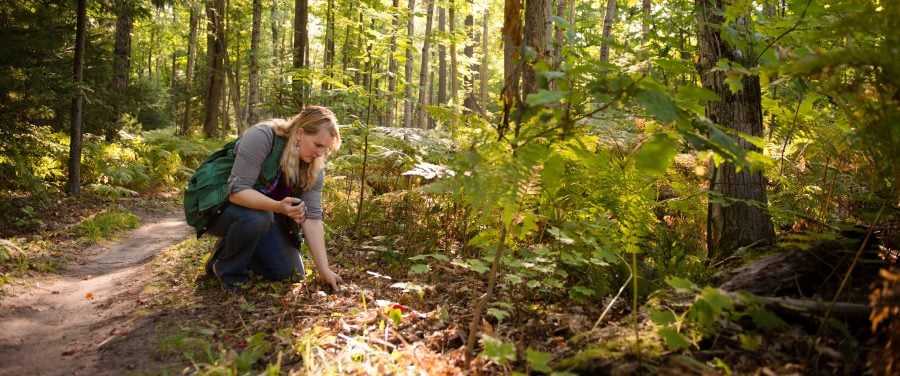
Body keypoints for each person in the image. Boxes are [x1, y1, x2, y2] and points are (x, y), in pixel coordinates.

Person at [202, 106, 343, 291]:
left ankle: (223, 254)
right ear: (300, 133)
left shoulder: (314, 167)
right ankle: (229, 271)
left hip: (264, 216)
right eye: (317, 145)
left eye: (324, 149)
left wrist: (324, 270)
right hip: (219, 207)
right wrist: (278, 206)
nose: (319, 153)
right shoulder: (263, 137)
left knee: (291, 273)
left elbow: (313, 218)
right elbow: (237, 191)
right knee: (258, 217)